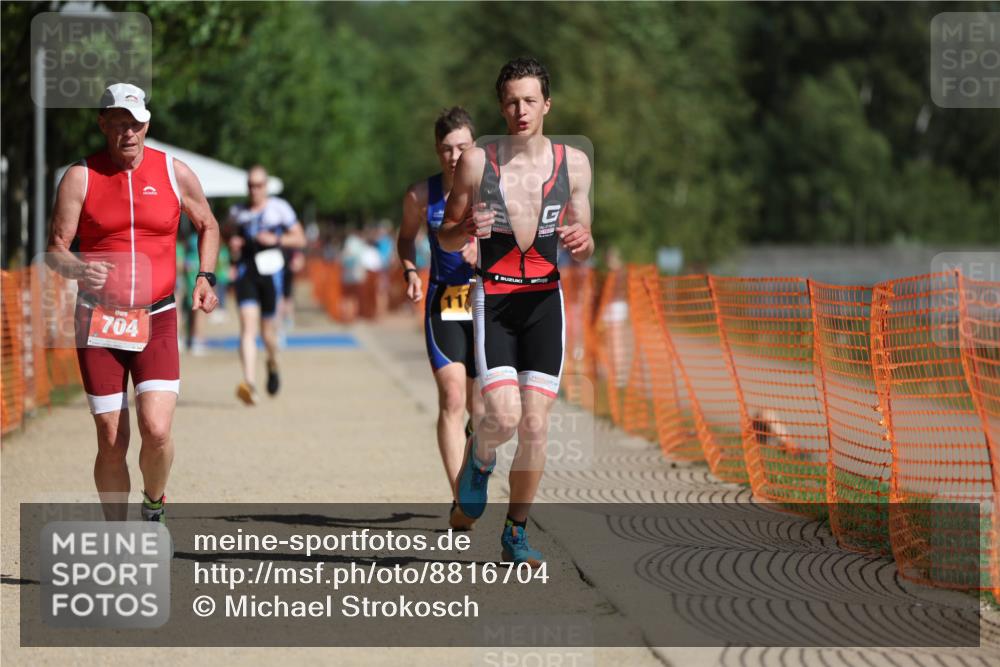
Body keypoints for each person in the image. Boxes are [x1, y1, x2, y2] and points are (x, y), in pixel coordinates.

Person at [439, 58, 595, 565]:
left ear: (547, 104)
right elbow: (446, 233)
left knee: (535, 426)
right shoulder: (478, 162)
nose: (520, 110)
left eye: (530, 100)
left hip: (545, 301)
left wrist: (584, 239)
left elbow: (585, 234)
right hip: (497, 299)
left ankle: (516, 532)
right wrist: (466, 231)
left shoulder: (574, 163)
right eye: (511, 101)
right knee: (502, 420)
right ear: (500, 106)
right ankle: (481, 459)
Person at [46, 83, 220, 522]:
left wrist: (204, 276)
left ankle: (153, 505)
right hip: (98, 318)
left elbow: (208, 225)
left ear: (147, 124)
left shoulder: (173, 172)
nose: (128, 132)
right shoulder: (80, 177)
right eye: (118, 123)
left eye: (135, 123)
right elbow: (57, 249)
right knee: (110, 436)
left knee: (157, 431)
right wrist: (80, 268)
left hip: (156, 316)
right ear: (103, 124)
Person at [398, 107, 482, 530]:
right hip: (445, 301)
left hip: (489, 302)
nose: (454, 156)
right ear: (437, 152)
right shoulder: (420, 196)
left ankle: (475, 457)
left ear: (475, 148)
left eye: (462, 147)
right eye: (447, 149)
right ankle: (461, 499)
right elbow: (405, 240)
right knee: (451, 397)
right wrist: (411, 271)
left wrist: (483, 251)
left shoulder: (496, 190)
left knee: (481, 408)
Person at [227, 166, 306, 405]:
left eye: (259, 185)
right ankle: (249, 384)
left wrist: (277, 239)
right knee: (247, 328)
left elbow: (300, 238)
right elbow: (223, 232)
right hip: (246, 273)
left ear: (266, 186)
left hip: (271, 273)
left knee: (267, 333)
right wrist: (232, 243)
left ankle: (272, 362)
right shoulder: (237, 212)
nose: (254, 190)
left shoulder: (279, 209)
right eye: (250, 185)